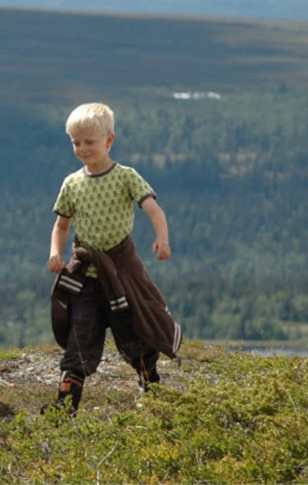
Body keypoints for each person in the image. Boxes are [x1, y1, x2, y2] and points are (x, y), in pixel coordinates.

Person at [44, 102, 182, 415]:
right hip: (86, 278)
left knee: (134, 332)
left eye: (89, 142)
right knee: (80, 336)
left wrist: (162, 238)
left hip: (121, 274)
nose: (82, 148)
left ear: (109, 141)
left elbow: (153, 209)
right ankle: (64, 408)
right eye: (76, 142)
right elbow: (61, 224)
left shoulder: (126, 177)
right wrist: (55, 253)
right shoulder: (72, 183)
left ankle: (150, 384)